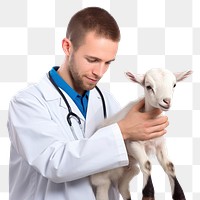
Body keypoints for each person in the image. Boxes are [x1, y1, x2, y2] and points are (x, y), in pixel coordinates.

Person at [7, 7, 169, 200]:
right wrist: (123, 130)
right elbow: (54, 164)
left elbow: (113, 170)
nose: (99, 72)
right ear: (68, 47)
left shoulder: (108, 102)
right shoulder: (27, 103)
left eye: (108, 62)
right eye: (92, 60)